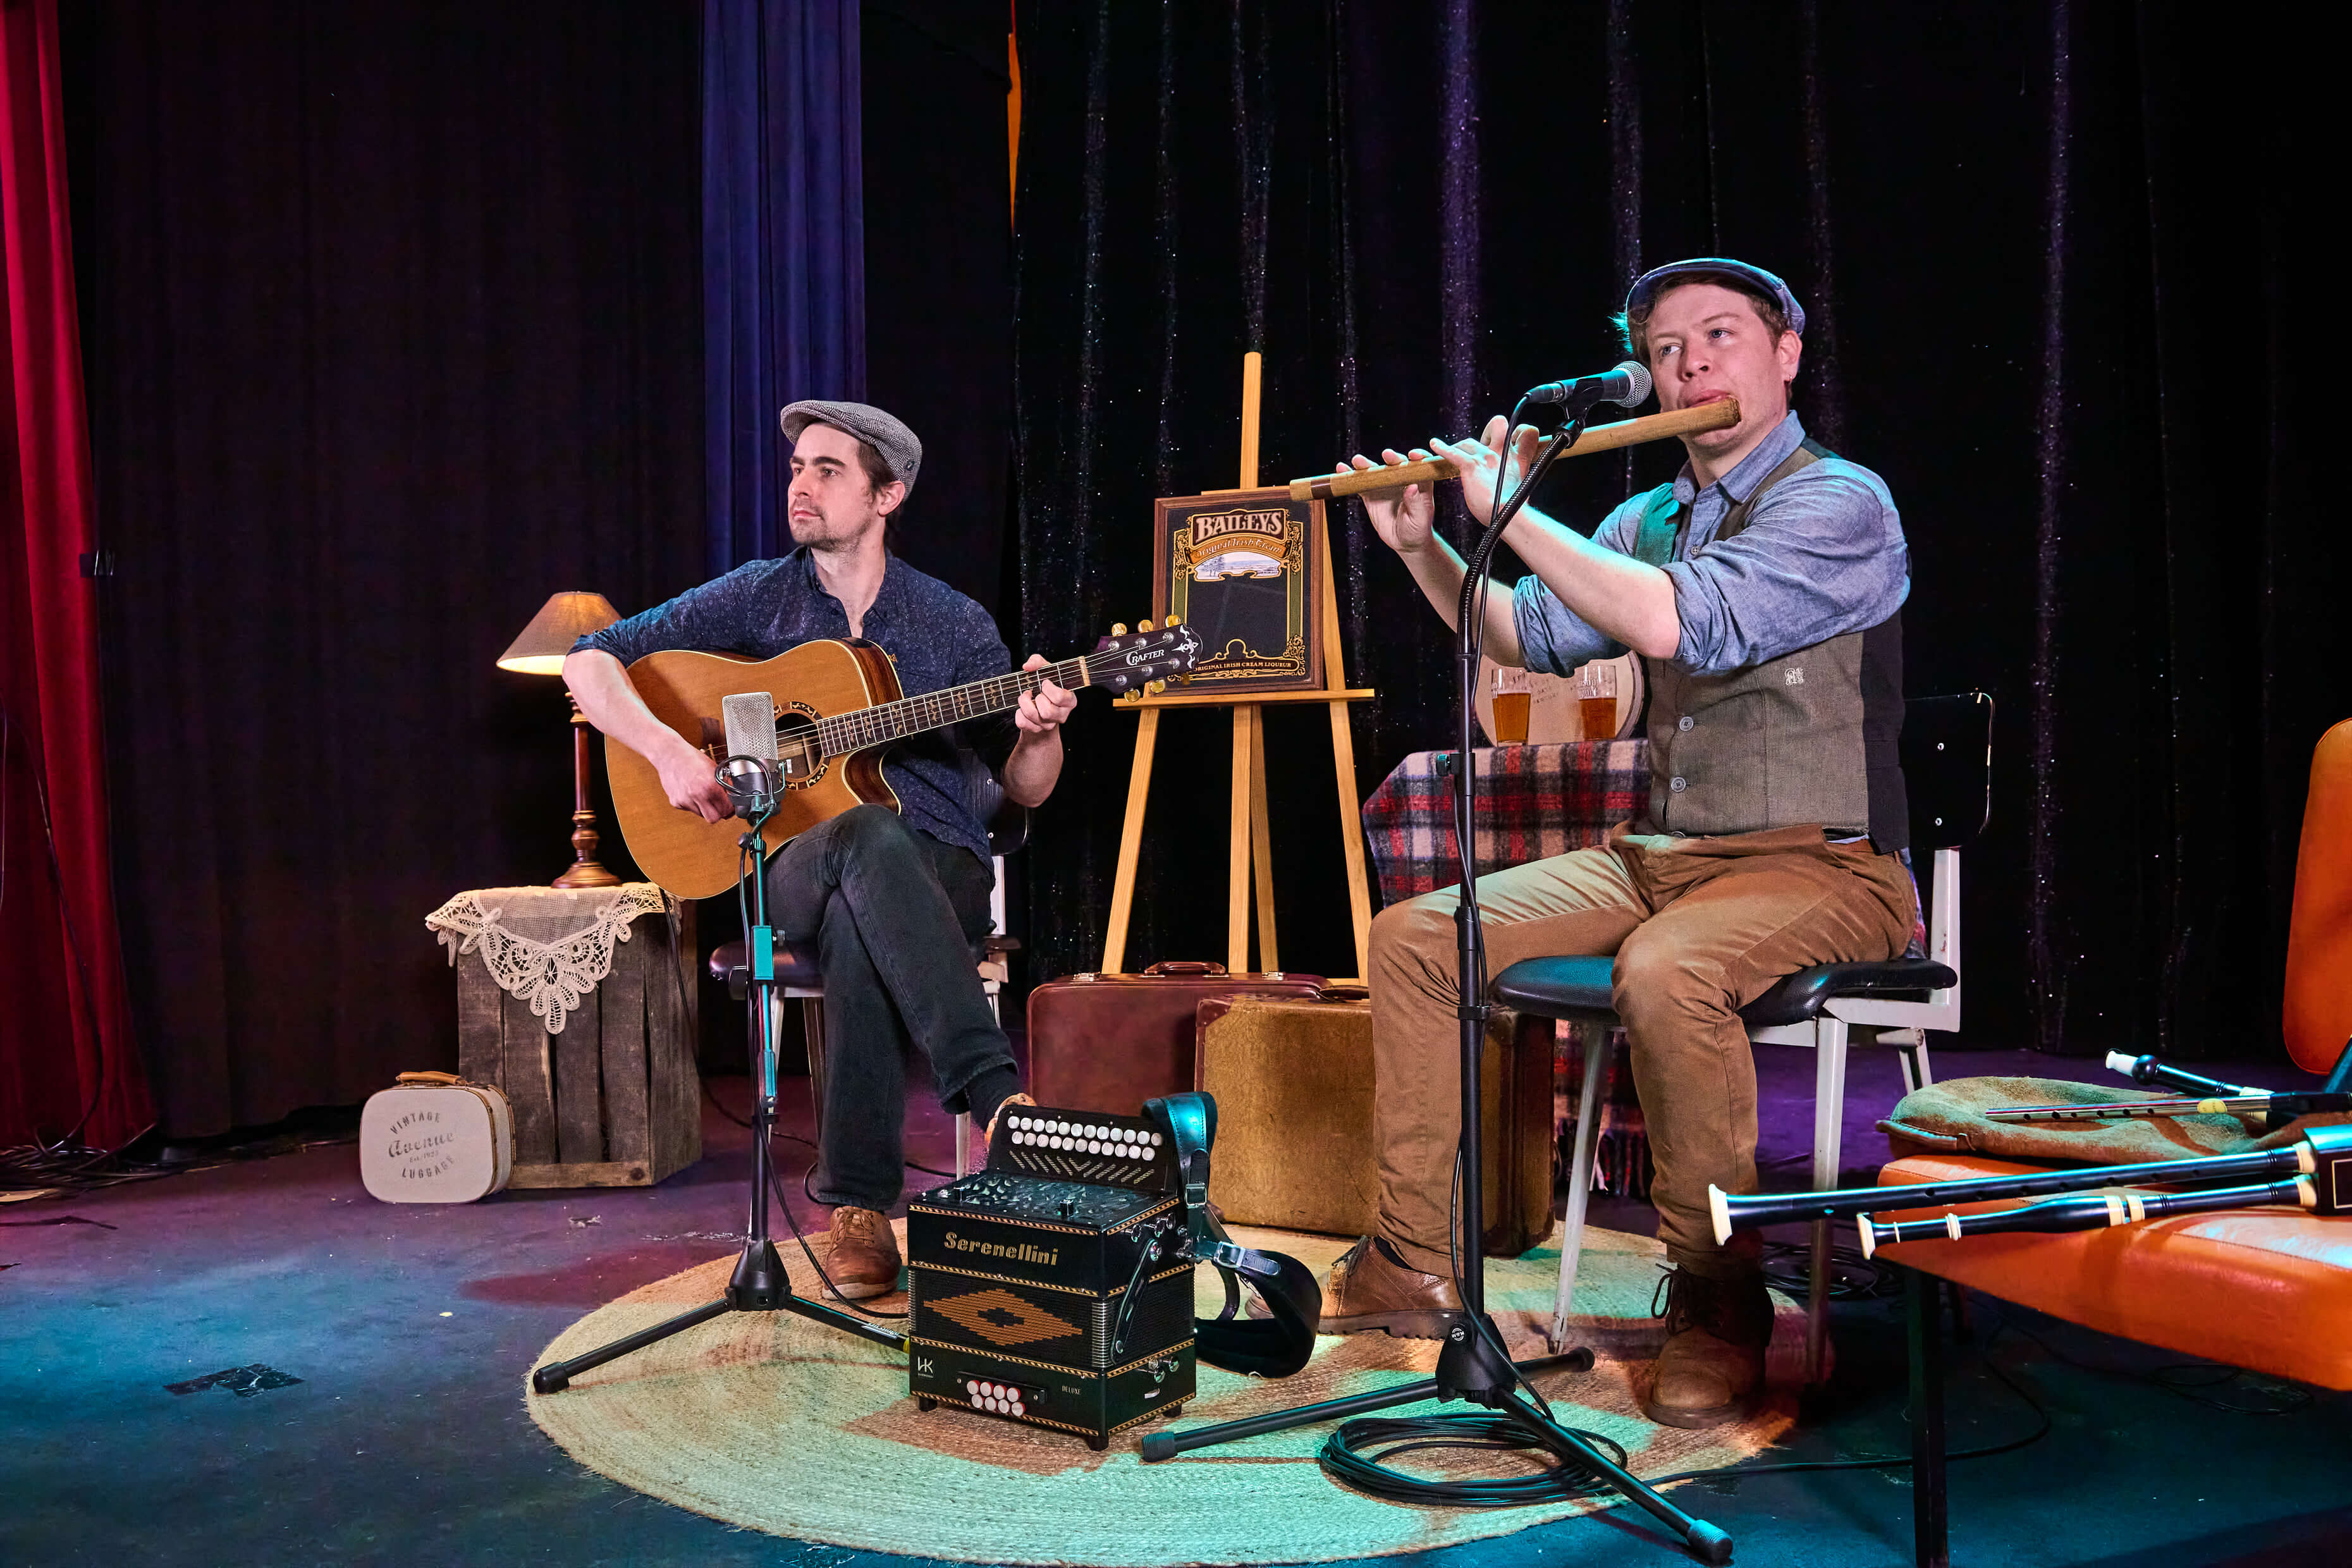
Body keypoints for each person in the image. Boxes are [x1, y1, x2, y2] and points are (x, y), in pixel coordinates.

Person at [1326, 259, 1914, 1429]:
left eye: (1721, 336)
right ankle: (1411, 1260)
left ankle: (1720, 1296)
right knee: (1419, 935)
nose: (1692, 364)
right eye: (1668, 347)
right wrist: (1425, 546)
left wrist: (1512, 511)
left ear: (1786, 354)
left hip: (1825, 863)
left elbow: (1673, 618)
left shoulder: (1839, 501)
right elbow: (1520, 635)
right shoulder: (1645, 515)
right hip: (1664, 856)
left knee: (1669, 970)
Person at [563, 400, 1067, 1299]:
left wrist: (1038, 729)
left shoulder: (952, 622)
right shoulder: (760, 593)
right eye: (797, 466)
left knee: (862, 906)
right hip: (787, 859)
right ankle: (999, 1101)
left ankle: (860, 1212)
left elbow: (1025, 790)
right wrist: (671, 751)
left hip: (941, 861)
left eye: (828, 470)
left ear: (888, 494)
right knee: (861, 837)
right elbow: (589, 659)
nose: (801, 483)